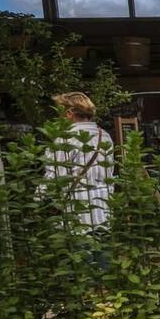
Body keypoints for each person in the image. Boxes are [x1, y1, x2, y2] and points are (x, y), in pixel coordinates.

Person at [47, 92, 113, 229]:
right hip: (104, 209)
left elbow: (56, 177)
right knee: (102, 247)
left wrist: (38, 201)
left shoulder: (65, 139)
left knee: (80, 248)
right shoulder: (105, 136)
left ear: (70, 113)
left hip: (77, 212)